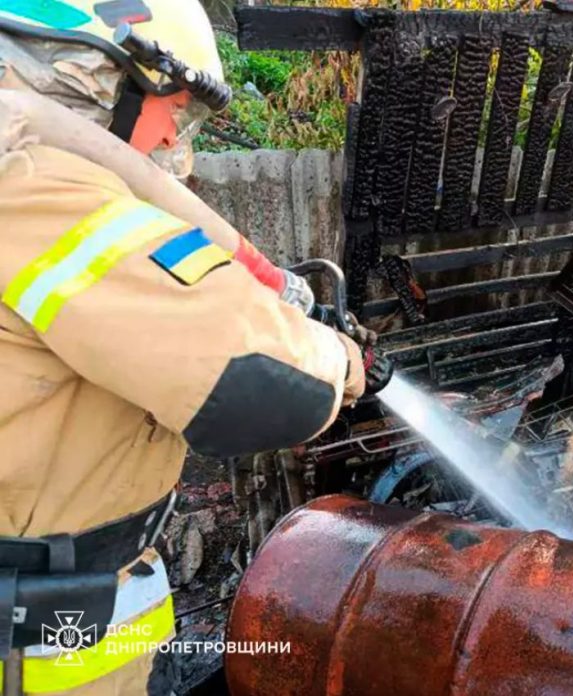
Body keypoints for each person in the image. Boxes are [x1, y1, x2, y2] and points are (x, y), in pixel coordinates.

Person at [0, 1, 366, 692]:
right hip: (36, 654)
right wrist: (342, 361)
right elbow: (253, 376)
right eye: (175, 108)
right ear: (96, 76)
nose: (173, 139)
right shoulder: (41, 186)